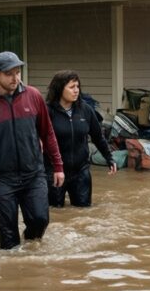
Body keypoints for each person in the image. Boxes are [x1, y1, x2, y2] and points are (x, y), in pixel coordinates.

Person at [0, 52, 64, 250]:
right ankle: (11, 275)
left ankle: (29, 255)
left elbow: (48, 133)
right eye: (9, 74)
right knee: (9, 238)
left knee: (40, 220)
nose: (15, 78)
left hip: (33, 174)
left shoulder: (33, 96)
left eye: (18, 72)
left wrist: (58, 166)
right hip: (2, 179)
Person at [45, 70, 116, 209]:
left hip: (80, 172)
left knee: (82, 213)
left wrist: (109, 158)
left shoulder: (86, 110)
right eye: (72, 87)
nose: (76, 90)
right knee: (55, 213)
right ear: (59, 88)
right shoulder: (47, 111)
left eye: (77, 86)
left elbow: (98, 137)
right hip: (54, 171)